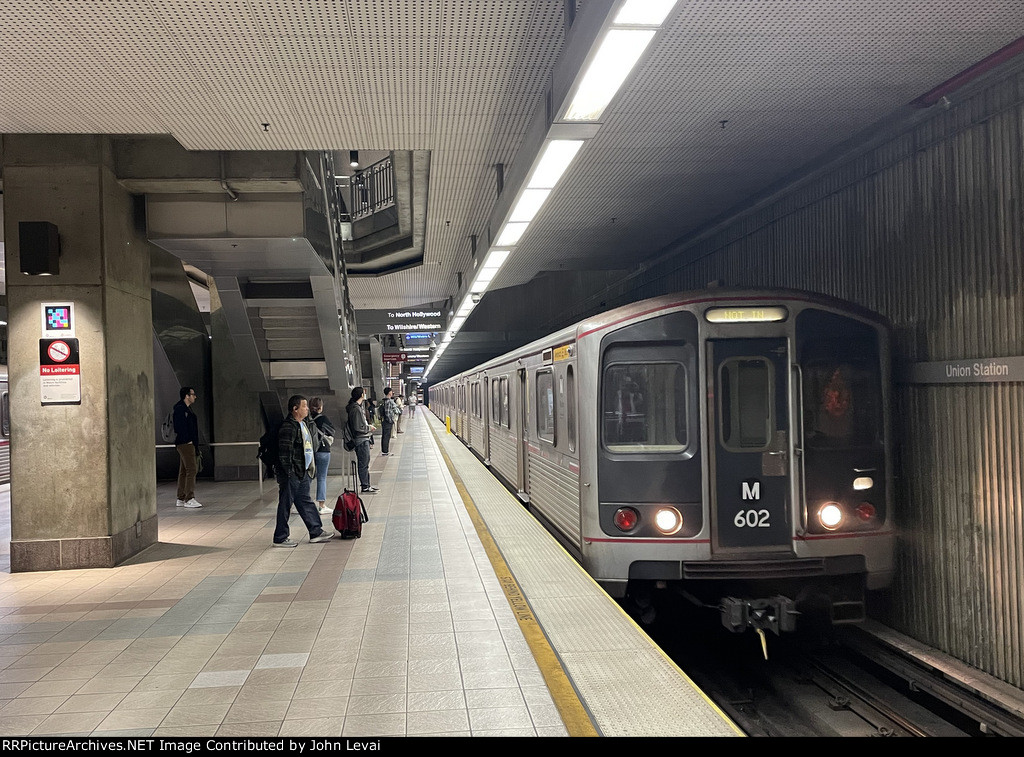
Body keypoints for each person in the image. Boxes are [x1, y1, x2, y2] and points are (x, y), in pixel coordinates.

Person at [273, 394, 335, 547]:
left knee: (305, 501)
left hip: (303, 472)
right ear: (295, 409)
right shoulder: (288, 427)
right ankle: (280, 537)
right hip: (292, 473)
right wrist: (290, 472)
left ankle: (316, 531)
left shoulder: (304, 424)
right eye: (304, 406)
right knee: (285, 504)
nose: (307, 409)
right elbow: (284, 453)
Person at [173, 386, 203, 508]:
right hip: (185, 443)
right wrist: (189, 441)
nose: (195, 396)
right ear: (187, 396)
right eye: (193, 394)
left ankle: (181, 497)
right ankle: (189, 498)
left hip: (184, 443)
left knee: (184, 471)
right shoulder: (181, 410)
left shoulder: (185, 409)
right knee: (191, 469)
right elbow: (180, 427)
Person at [347, 387, 378, 493]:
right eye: (363, 393)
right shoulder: (355, 409)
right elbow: (358, 426)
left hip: (362, 439)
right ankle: (365, 486)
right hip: (361, 439)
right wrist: (369, 427)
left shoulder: (356, 407)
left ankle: (367, 484)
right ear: (361, 395)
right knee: (363, 463)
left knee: (364, 462)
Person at [309, 397, 336, 515]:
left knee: (308, 477)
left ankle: (299, 502)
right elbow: (332, 431)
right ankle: (321, 505)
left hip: (310, 451)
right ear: (320, 407)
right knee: (322, 477)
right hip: (323, 450)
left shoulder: (307, 420)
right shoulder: (323, 419)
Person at [379, 387, 398, 455]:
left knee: (384, 435)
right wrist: (390, 420)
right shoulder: (389, 401)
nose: (392, 393)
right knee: (386, 436)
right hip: (387, 421)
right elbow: (388, 412)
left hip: (384, 421)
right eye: (391, 391)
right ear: (389, 392)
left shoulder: (383, 400)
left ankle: (385, 450)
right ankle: (385, 451)